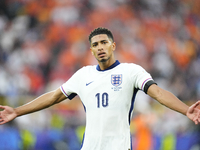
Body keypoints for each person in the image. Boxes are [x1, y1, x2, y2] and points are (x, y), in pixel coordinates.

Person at [0, 27, 200, 150]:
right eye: (95, 44)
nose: (100, 47)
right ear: (91, 50)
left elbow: (158, 93)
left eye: (104, 42)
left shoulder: (131, 71)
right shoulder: (83, 74)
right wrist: (17, 111)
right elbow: (52, 97)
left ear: (113, 45)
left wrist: (185, 110)